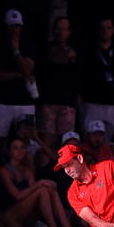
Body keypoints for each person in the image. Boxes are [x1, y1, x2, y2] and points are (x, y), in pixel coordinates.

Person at [0, 8, 38, 168]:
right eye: (11, 26)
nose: (15, 30)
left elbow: (28, 70)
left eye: (17, 26)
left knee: (28, 140)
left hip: (26, 104)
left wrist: (16, 50)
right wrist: (18, 75)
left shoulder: (28, 44)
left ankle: (27, 175)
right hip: (2, 103)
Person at [37, 16, 82, 150]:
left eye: (65, 29)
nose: (61, 32)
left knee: (67, 142)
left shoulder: (76, 51)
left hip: (67, 103)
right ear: (54, 31)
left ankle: (65, 170)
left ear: (69, 32)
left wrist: (73, 60)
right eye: (59, 29)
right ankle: (45, 170)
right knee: (46, 142)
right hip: (48, 102)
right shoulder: (45, 49)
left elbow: (79, 75)